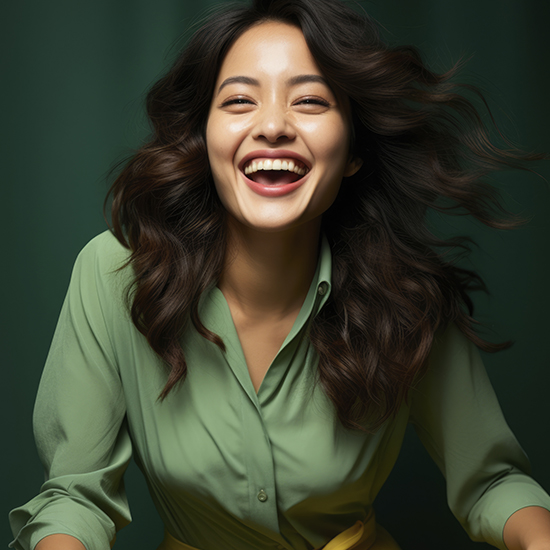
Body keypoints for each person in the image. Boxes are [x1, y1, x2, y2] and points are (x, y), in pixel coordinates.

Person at [8, 0, 550, 549]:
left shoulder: (408, 293)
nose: (272, 126)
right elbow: (74, 497)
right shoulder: (114, 274)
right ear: (203, 140)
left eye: (310, 101)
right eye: (240, 101)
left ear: (355, 150)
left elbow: (491, 482)